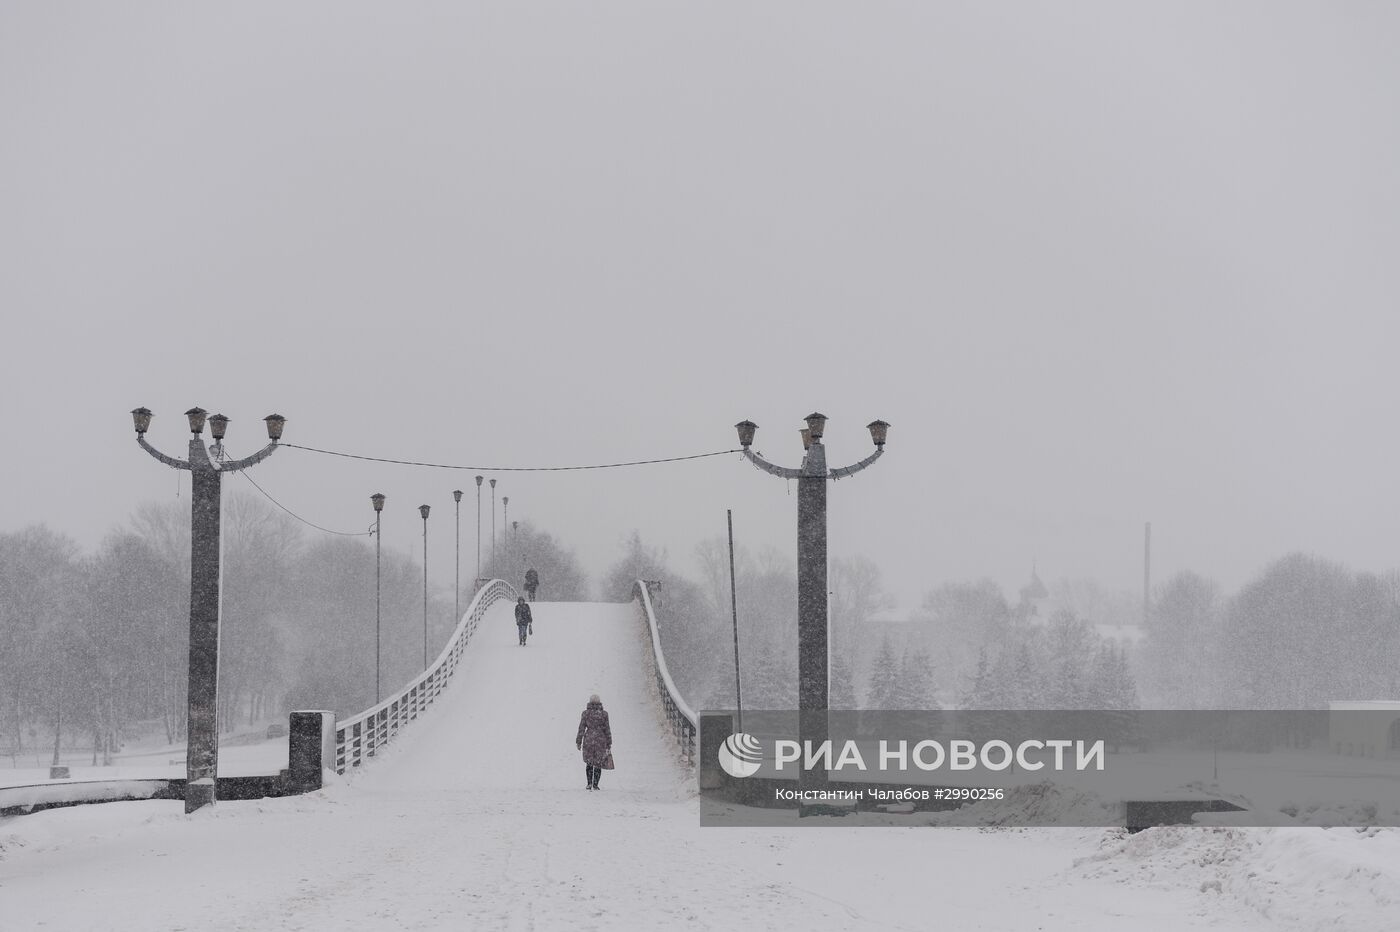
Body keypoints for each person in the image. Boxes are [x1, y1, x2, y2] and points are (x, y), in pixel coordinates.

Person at [576, 694, 612, 790]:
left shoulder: (585, 714)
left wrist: (578, 741)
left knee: (589, 763)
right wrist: (609, 743)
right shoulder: (604, 714)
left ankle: (589, 783)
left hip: (589, 739)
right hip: (601, 740)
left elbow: (581, 728)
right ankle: (595, 784)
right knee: (598, 763)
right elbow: (607, 729)